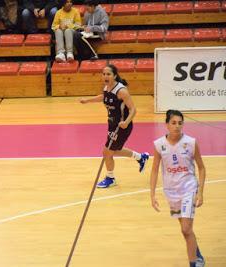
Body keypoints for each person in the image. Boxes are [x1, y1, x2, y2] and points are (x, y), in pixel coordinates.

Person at [150, 110, 206, 267]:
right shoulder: (159, 144)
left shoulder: (191, 142)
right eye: (173, 123)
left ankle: (194, 263)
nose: (177, 126)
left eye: (180, 123)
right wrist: (152, 194)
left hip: (189, 188)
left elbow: (201, 168)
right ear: (166, 125)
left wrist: (200, 192)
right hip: (171, 192)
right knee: (185, 230)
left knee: (186, 229)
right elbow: (154, 170)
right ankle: (197, 255)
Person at [80, 64, 149, 188]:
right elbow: (103, 97)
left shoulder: (121, 91)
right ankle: (140, 157)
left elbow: (133, 109)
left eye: (108, 74)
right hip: (112, 124)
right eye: (104, 74)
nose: (105, 76)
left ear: (115, 76)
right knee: (114, 150)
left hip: (122, 126)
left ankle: (110, 178)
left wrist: (126, 122)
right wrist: (88, 100)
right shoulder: (107, 87)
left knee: (107, 152)